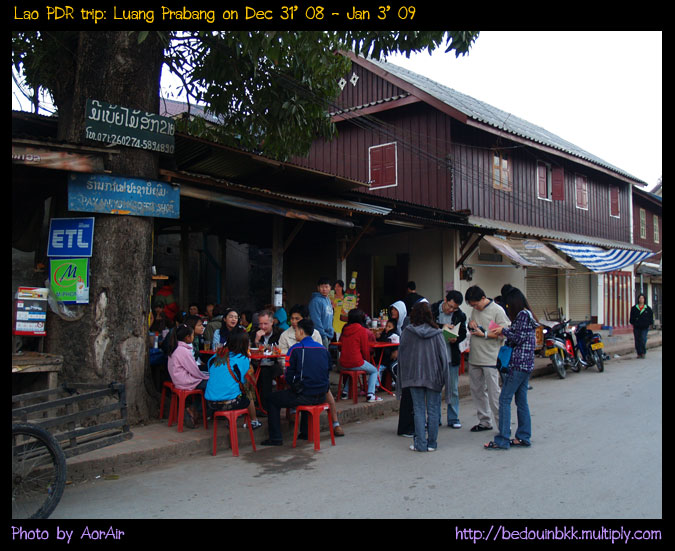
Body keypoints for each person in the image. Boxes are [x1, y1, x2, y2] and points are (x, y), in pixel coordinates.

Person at [261, 318, 332, 446]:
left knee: (271, 398)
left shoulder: (295, 349)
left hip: (304, 396)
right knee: (305, 387)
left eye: (296, 331)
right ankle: (304, 432)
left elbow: (289, 376)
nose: (295, 334)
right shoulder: (323, 349)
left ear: (300, 331)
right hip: (322, 396)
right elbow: (327, 372)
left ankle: (276, 437)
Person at [278, 304, 344, 437]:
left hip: (312, 375)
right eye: (292, 318)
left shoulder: (316, 334)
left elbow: (320, 359)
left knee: (327, 393)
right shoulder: (285, 335)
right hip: (295, 373)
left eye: (298, 318)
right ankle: (294, 415)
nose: (294, 322)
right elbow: (282, 359)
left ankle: (335, 423)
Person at [484, 287, 536, 450]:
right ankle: (523, 437)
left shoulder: (521, 315)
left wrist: (503, 330)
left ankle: (503, 439)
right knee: (521, 401)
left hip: (518, 365)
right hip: (526, 364)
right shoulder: (528, 314)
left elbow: (518, 337)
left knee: (504, 399)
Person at [398, 301, 449, 452]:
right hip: (434, 375)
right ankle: (432, 443)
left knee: (418, 409)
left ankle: (420, 444)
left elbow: (402, 355)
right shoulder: (438, 333)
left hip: (414, 376)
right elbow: (444, 358)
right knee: (433, 409)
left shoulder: (408, 332)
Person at [465, 285, 510, 433]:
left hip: (491, 358)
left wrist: (483, 334)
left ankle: (503, 426)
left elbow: (504, 333)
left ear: (483, 299)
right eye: (472, 305)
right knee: (477, 391)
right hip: (475, 357)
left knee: (494, 394)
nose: (474, 307)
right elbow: (473, 325)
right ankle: (484, 421)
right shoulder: (474, 309)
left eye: (476, 304)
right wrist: (470, 325)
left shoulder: (497, 311)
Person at [205, 328, 262, 430]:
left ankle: (231, 421)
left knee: (230, 387)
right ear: (244, 344)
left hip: (210, 403)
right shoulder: (242, 359)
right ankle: (254, 421)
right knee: (248, 392)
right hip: (231, 404)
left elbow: (212, 373)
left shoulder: (215, 356)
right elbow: (245, 382)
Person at [166, 323, 209, 429]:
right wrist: (206, 377)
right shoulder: (183, 351)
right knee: (211, 385)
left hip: (178, 380)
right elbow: (194, 370)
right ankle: (195, 410)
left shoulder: (175, 348)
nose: (193, 338)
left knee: (207, 385)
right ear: (187, 337)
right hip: (185, 381)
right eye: (193, 335)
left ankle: (195, 410)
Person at [436, 290, 468, 429]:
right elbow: (426, 328)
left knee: (453, 389)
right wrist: (441, 328)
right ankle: (434, 418)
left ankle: (453, 418)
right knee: (435, 389)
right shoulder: (432, 310)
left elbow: (463, 333)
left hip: (451, 355)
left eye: (454, 308)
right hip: (435, 357)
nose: (451, 310)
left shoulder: (460, 315)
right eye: (449, 306)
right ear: (445, 300)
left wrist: (457, 338)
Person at [338, 309, 382, 403]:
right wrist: (367, 361)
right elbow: (365, 349)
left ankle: (345, 392)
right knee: (374, 370)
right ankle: (370, 394)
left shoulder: (345, 329)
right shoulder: (362, 330)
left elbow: (340, 346)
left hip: (343, 362)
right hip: (356, 361)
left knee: (352, 370)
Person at [250, 309, 284, 411]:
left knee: (265, 372)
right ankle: (255, 404)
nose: (263, 327)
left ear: (272, 322)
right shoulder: (254, 333)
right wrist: (256, 340)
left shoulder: (280, 333)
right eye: (261, 324)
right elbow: (250, 351)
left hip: (275, 363)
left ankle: (264, 407)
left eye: (266, 324)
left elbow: (281, 351)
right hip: (257, 364)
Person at [309, 276, 335, 347]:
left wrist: (331, 333)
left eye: (326, 287)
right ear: (318, 288)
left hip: (328, 335)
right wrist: (323, 335)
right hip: (320, 335)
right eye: (322, 287)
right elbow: (316, 320)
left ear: (330, 288)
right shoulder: (315, 301)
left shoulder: (328, 300)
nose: (324, 289)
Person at [630, 293, 654, 359]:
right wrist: (633, 323)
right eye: (640, 298)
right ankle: (639, 353)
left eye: (642, 298)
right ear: (638, 299)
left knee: (643, 339)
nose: (641, 299)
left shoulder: (648, 308)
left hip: (645, 327)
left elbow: (651, 317)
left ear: (644, 299)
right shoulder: (634, 308)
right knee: (637, 340)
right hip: (636, 327)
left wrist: (650, 323)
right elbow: (631, 317)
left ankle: (643, 352)